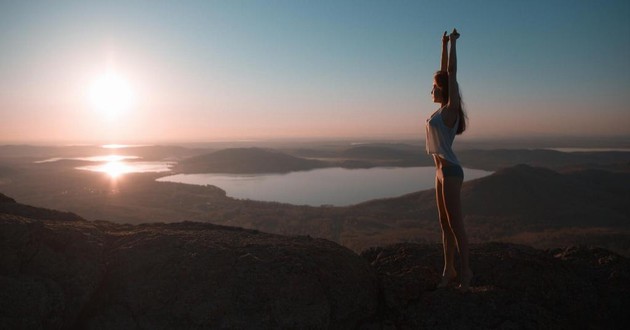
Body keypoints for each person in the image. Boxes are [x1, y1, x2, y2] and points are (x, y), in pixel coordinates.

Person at [425, 29, 472, 292]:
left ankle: (466, 273)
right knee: (444, 224)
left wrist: (453, 44)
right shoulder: (439, 110)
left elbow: (451, 74)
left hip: (451, 172)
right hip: (439, 173)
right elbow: (443, 72)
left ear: (442, 90)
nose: (430, 88)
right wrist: (441, 44)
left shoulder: (450, 110)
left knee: (456, 225)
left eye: (433, 86)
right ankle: (448, 270)